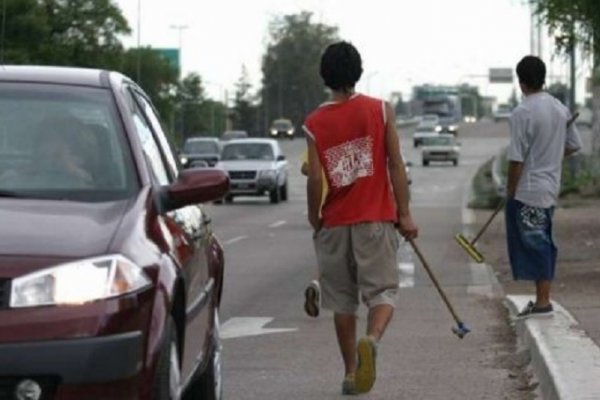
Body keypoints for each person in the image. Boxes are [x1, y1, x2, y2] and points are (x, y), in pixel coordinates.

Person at [304, 41, 417, 395]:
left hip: (335, 222)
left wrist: (315, 218)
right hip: (375, 220)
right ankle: (372, 339)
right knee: (382, 292)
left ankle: (352, 372)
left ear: (325, 76)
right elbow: (395, 163)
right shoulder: (380, 110)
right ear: (358, 72)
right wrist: (405, 213)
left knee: (341, 300)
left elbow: (316, 177)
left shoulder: (314, 122)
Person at [506, 55, 582, 319]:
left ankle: (542, 302)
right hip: (549, 189)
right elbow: (574, 145)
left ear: (521, 82)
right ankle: (542, 299)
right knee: (543, 241)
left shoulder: (522, 112)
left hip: (528, 190)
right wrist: (550, 156)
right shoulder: (559, 108)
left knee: (536, 243)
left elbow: (516, 158)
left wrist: (510, 191)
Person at [300, 149, 327, 318]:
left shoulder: (321, 136)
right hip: (342, 207)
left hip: (322, 207)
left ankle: (316, 284)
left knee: (327, 258)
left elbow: (305, 168)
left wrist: (321, 168)